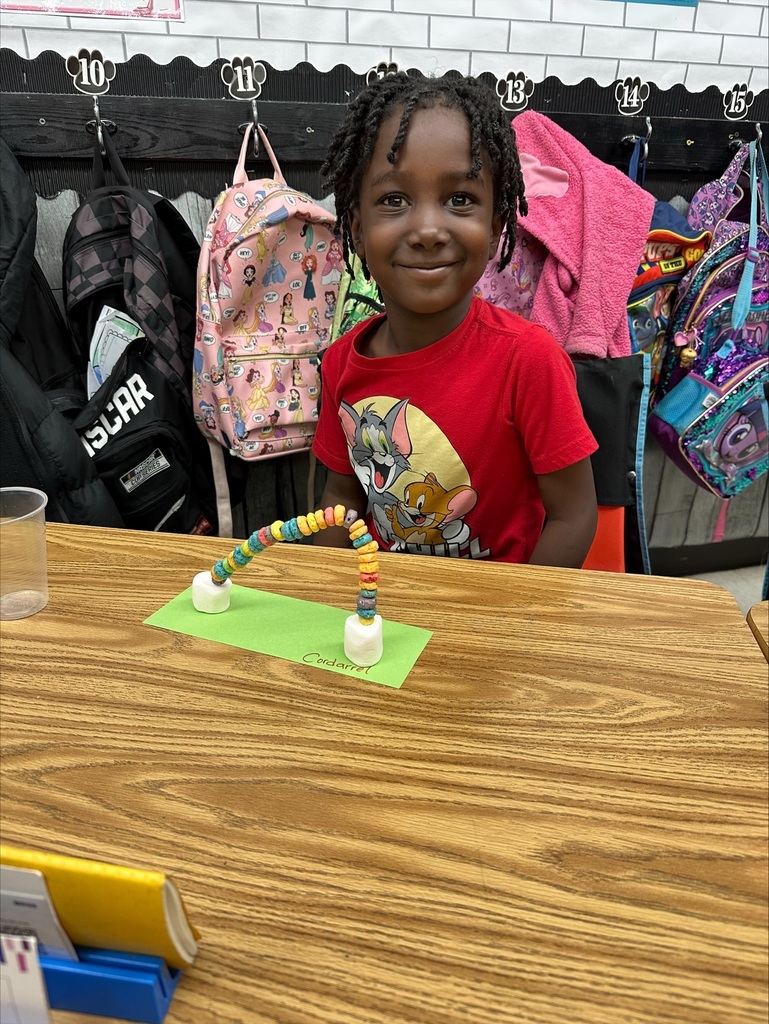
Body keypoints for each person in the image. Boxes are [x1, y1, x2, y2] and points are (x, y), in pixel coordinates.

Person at [312, 72, 598, 567]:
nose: (427, 230)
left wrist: (512, 627)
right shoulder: (341, 363)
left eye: (459, 199)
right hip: (382, 614)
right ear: (356, 228)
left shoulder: (529, 361)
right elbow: (343, 499)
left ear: (494, 227)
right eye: (394, 200)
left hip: (496, 618)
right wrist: (328, 595)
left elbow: (573, 516)